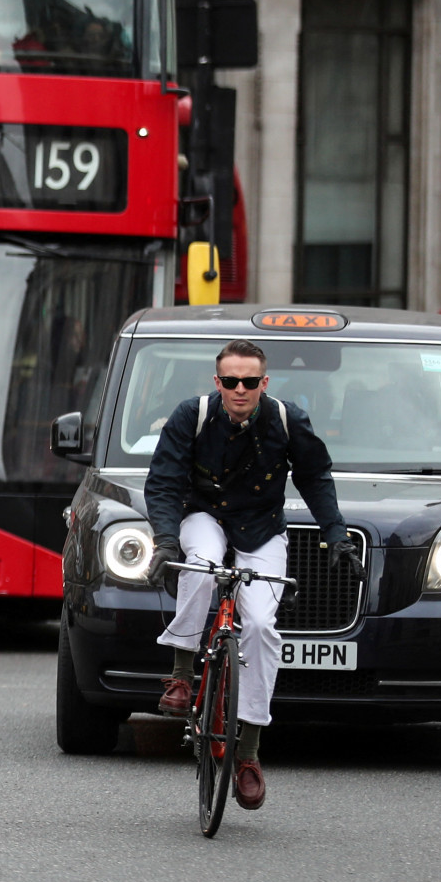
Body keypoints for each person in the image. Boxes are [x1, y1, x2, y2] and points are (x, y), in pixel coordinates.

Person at [145, 339, 361, 811]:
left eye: (249, 382)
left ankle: (248, 755)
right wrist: (165, 541)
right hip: (203, 516)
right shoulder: (192, 415)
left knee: (262, 626)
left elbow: (316, 478)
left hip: (262, 529)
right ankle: (181, 676)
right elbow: (162, 482)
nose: (239, 389)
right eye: (230, 381)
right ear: (216, 381)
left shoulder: (287, 420)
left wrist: (337, 535)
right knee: (200, 567)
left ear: (264, 383)